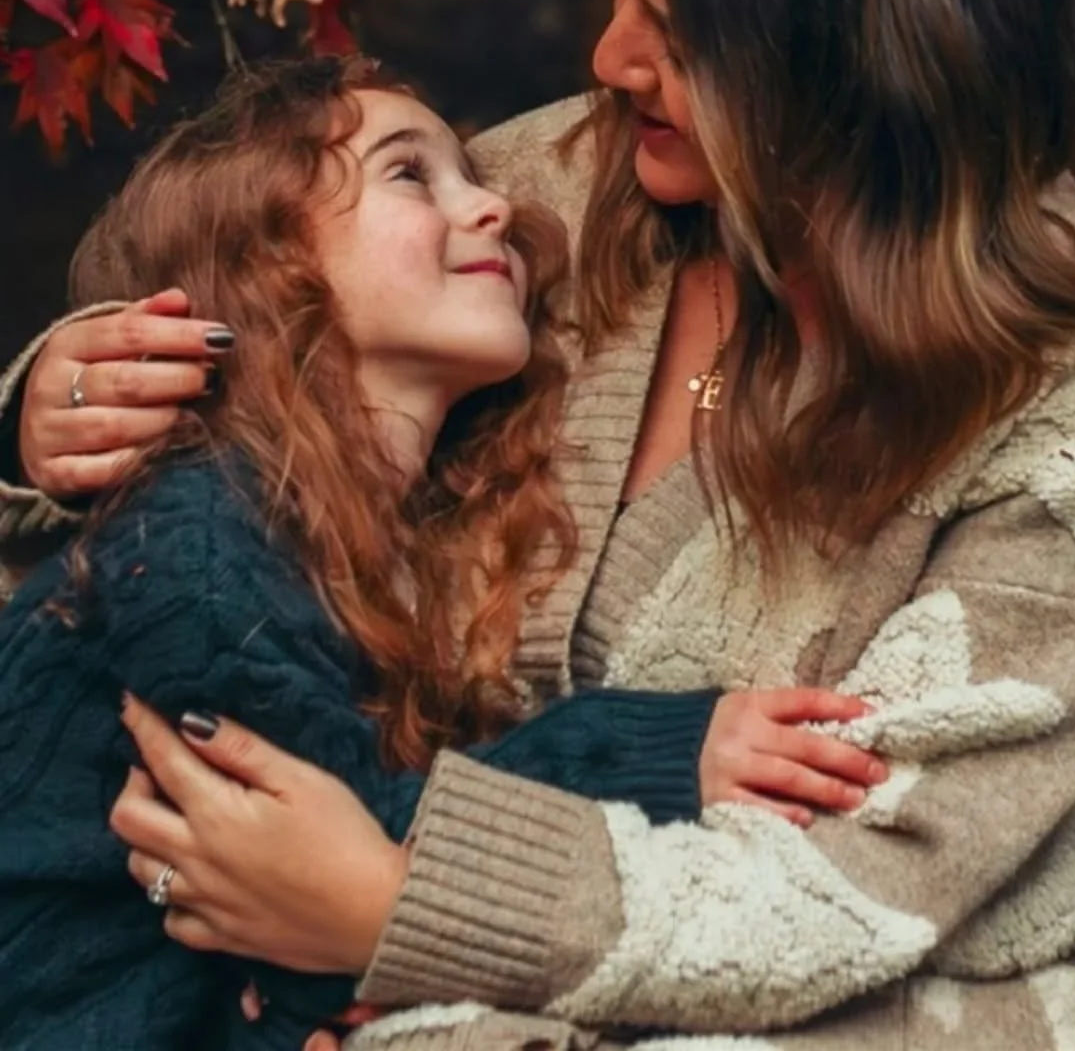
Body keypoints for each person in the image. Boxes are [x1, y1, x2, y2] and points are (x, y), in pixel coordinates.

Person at [0, 0, 1075, 1051]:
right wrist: (60, 403)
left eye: (675, 29)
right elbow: (260, 279)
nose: (607, 54)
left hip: (884, 1005)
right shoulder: (574, 186)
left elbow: (869, 884)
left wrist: (393, 903)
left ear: (842, 65)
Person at [0, 57, 879, 1051]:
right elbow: (331, 841)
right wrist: (648, 752)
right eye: (410, 175)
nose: (496, 206)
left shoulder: (349, 540)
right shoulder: (202, 540)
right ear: (267, 269)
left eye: (473, 173)